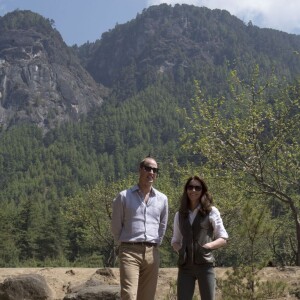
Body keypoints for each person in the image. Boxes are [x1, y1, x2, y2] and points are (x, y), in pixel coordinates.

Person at [111, 156, 168, 300]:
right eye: (148, 168)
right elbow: (116, 226)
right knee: (129, 295)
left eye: (155, 170)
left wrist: (155, 245)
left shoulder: (162, 199)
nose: (151, 172)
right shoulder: (123, 196)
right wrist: (124, 244)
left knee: (147, 297)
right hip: (130, 251)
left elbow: (163, 225)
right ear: (140, 170)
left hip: (152, 253)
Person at [171, 175, 228, 300]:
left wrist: (208, 246)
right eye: (190, 187)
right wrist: (180, 250)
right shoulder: (179, 215)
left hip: (205, 265)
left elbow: (223, 237)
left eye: (197, 188)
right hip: (185, 267)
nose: (193, 190)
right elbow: (175, 240)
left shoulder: (212, 211)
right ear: (186, 190)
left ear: (203, 190)